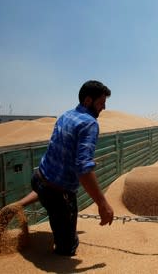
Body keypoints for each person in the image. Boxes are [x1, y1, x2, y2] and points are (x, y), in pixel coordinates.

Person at [17, 80, 114, 256]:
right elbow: (83, 169)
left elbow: (61, 161)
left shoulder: (65, 115)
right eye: (101, 103)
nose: (104, 107)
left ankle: (18, 205)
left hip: (38, 179)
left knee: (48, 192)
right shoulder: (90, 123)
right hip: (58, 194)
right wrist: (102, 203)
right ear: (87, 101)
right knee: (68, 248)